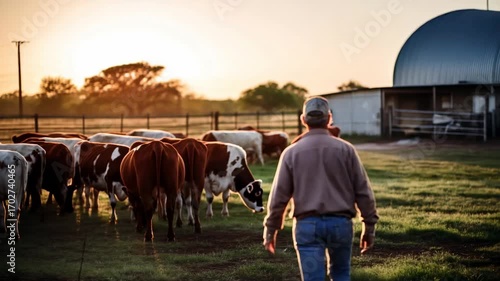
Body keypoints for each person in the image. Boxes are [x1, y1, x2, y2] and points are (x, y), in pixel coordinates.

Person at [262, 96, 379, 281]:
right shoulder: (346, 150)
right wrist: (369, 226)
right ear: (329, 118)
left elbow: (279, 196)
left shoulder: (291, 153)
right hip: (341, 225)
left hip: (307, 226)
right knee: (341, 275)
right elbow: (363, 190)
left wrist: (271, 230)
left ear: (303, 120)